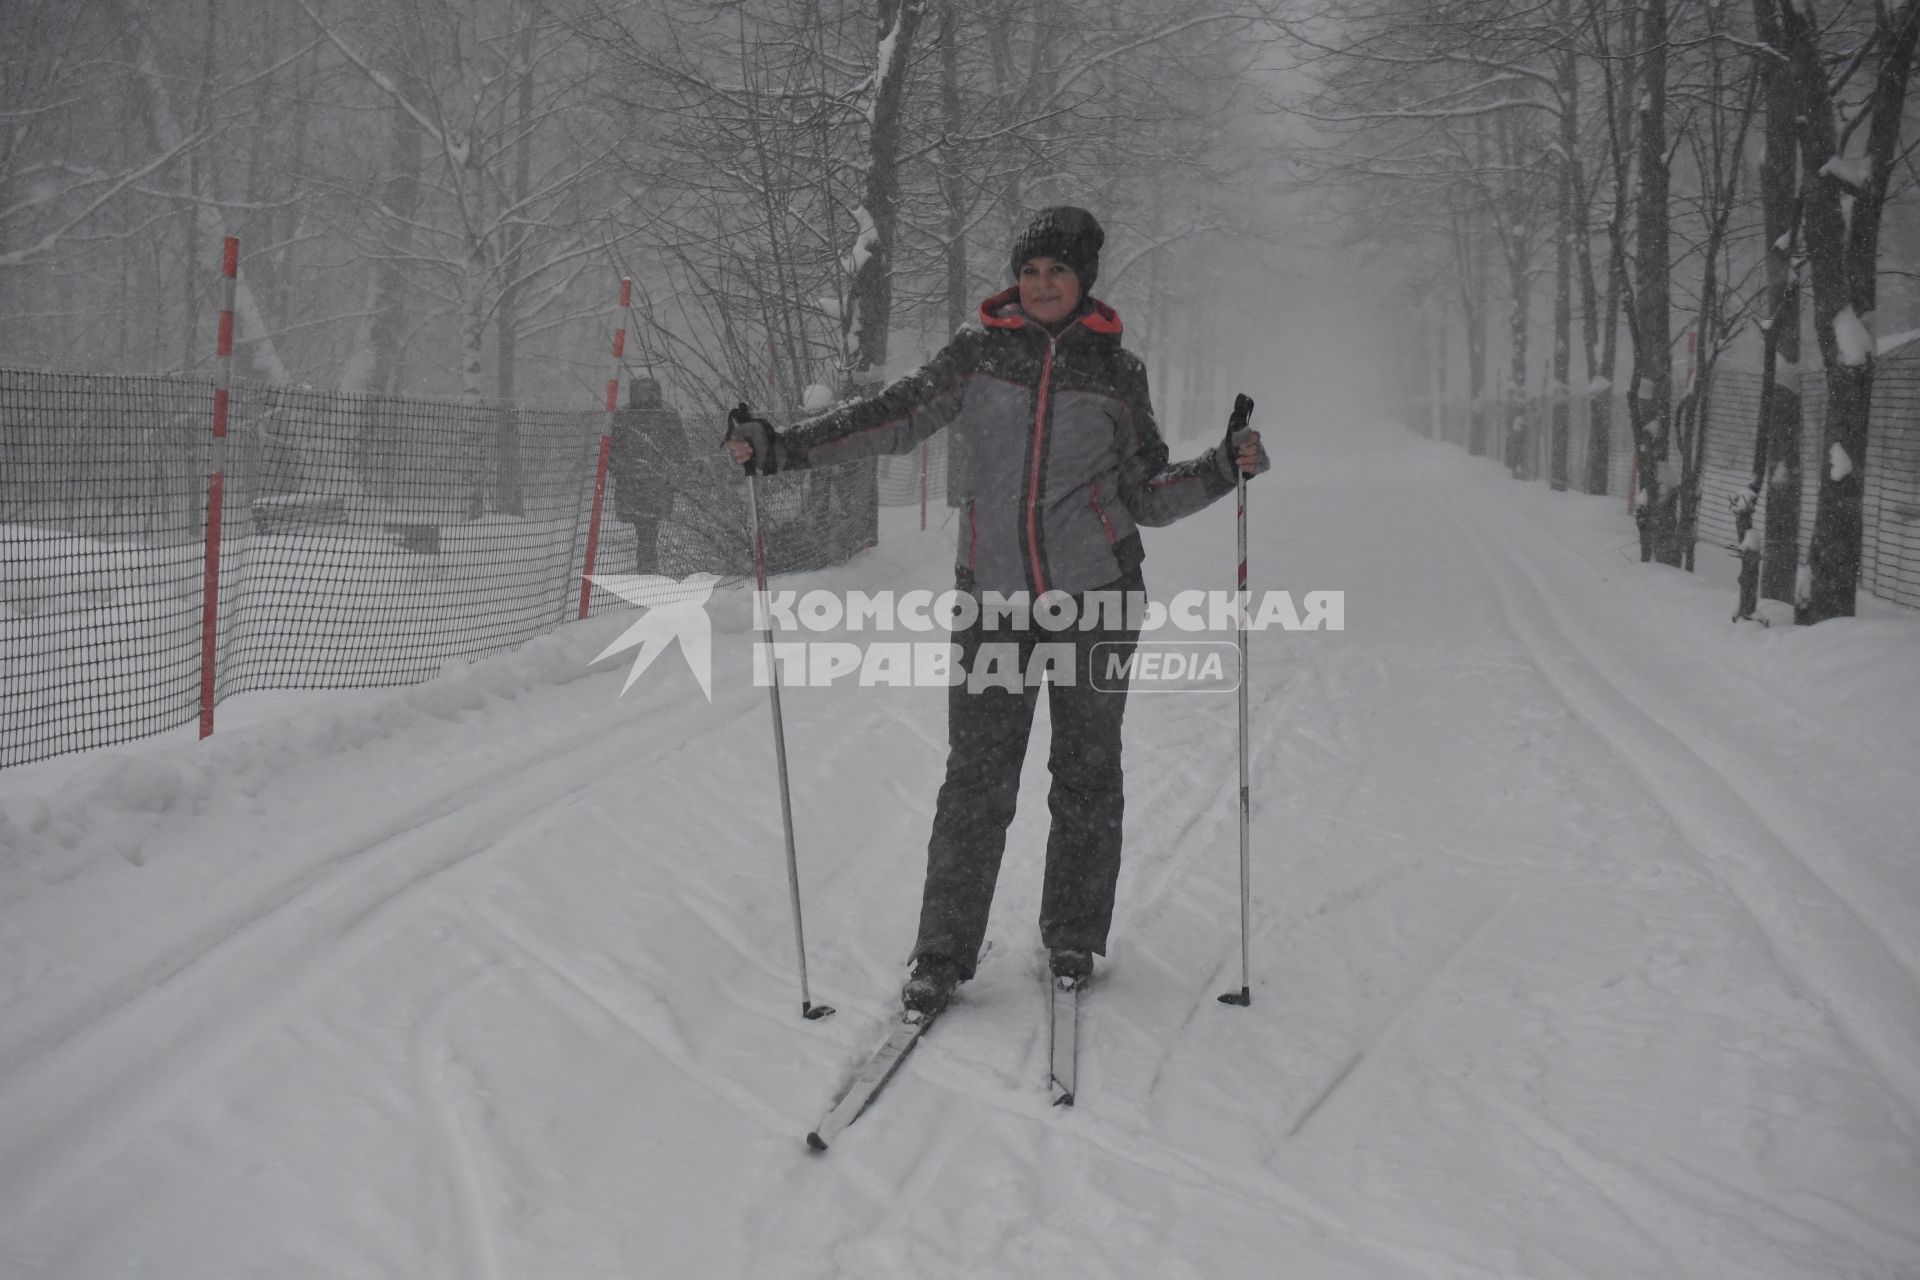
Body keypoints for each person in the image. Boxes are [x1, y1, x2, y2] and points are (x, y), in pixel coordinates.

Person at [725, 206, 1267, 1018]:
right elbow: (892, 417)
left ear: (1084, 279)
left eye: (1058, 271)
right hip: (994, 602)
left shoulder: (1117, 373)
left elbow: (1146, 496)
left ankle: (1073, 937)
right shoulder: (978, 357)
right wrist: (784, 446)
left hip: (1098, 600)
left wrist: (1224, 468)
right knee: (975, 778)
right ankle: (942, 950)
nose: (1042, 284)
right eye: (1031, 270)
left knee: (1088, 774)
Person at [610, 376, 685, 575]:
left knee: (649, 529)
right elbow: (611, 451)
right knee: (645, 529)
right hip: (633, 484)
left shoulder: (667, 415)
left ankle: (648, 569)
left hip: (657, 484)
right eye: (641, 390)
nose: (646, 394)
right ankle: (648, 569)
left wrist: (670, 471)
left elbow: (680, 449)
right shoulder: (624, 416)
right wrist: (624, 471)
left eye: (649, 390)